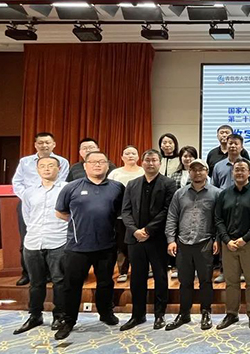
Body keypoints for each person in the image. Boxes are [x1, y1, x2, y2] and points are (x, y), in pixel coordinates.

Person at [54, 151, 125, 340]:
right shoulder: (71, 187)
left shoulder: (117, 187)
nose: (97, 165)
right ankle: (68, 320)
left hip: (107, 245)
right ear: (85, 166)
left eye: (102, 161)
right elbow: (60, 212)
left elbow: (122, 212)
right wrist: (81, 222)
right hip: (77, 247)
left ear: (108, 165)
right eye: (93, 162)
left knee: (106, 283)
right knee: (72, 285)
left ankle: (106, 313)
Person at [119, 150, 177, 331]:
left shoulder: (169, 183)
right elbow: (125, 211)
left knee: (160, 276)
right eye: (147, 160)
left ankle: (160, 314)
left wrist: (148, 230)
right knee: (137, 278)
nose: (150, 163)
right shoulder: (132, 184)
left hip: (157, 238)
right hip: (135, 239)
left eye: (154, 160)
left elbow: (168, 210)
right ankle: (137, 315)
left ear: (160, 163)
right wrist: (135, 231)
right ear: (142, 162)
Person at [14, 157, 68, 334]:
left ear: (59, 168)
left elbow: (71, 214)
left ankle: (59, 316)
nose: (46, 169)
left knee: (59, 281)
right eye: (42, 166)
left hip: (58, 240)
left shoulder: (67, 189)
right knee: (36, 283)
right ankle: (35, 315)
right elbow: (27, 216)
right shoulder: (29, 192)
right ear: (37, 170)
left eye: (51, 165)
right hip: (33, 241)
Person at [165, 160, 220, 331]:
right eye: (193, 169)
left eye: (200, 169)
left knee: (205, 281)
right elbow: (172, 217)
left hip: (205, 243)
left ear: (207, 171)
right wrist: (171, 240)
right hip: (183, 243)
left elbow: (220, 219)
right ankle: (184, 313)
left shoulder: (216, 193)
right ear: (189, 172)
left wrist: (217, 239)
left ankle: (206, 312)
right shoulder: (180, 193)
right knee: (185, 281)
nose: (197, 172)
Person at [215, 158, 250, 331]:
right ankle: (231, 313)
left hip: (249, 243)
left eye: (243, 169)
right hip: (229, 244)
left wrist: (245, 238)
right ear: (232, 172)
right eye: (237, 169)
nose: (239, 172)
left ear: (249, 172)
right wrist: (226, 240)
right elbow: (218, 219)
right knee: (231, 281)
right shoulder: (224, 194)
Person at [12, 132, 69, 286]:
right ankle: (27, 273)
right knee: (27, 237)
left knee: (54, 239)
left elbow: (61, 181)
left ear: (53, 144)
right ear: (35, 145)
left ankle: (51, 273)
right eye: (41, 143)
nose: (44, 145)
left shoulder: (62, 161)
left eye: (47, 142)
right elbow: (17, 182)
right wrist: (30, 196)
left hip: (54, 202)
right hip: (30, 202)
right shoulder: (25, 162)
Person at [108, 145, 144, 283]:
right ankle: (122, 271)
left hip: (140, 215)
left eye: (133, 153)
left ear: (138, 157)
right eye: (127, 153)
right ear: (122, 157)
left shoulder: (143, 171)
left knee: (139, 243)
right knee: (121, 244)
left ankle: (141, 269)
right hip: (120, 215)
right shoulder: (115, 173)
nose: (130, 156)